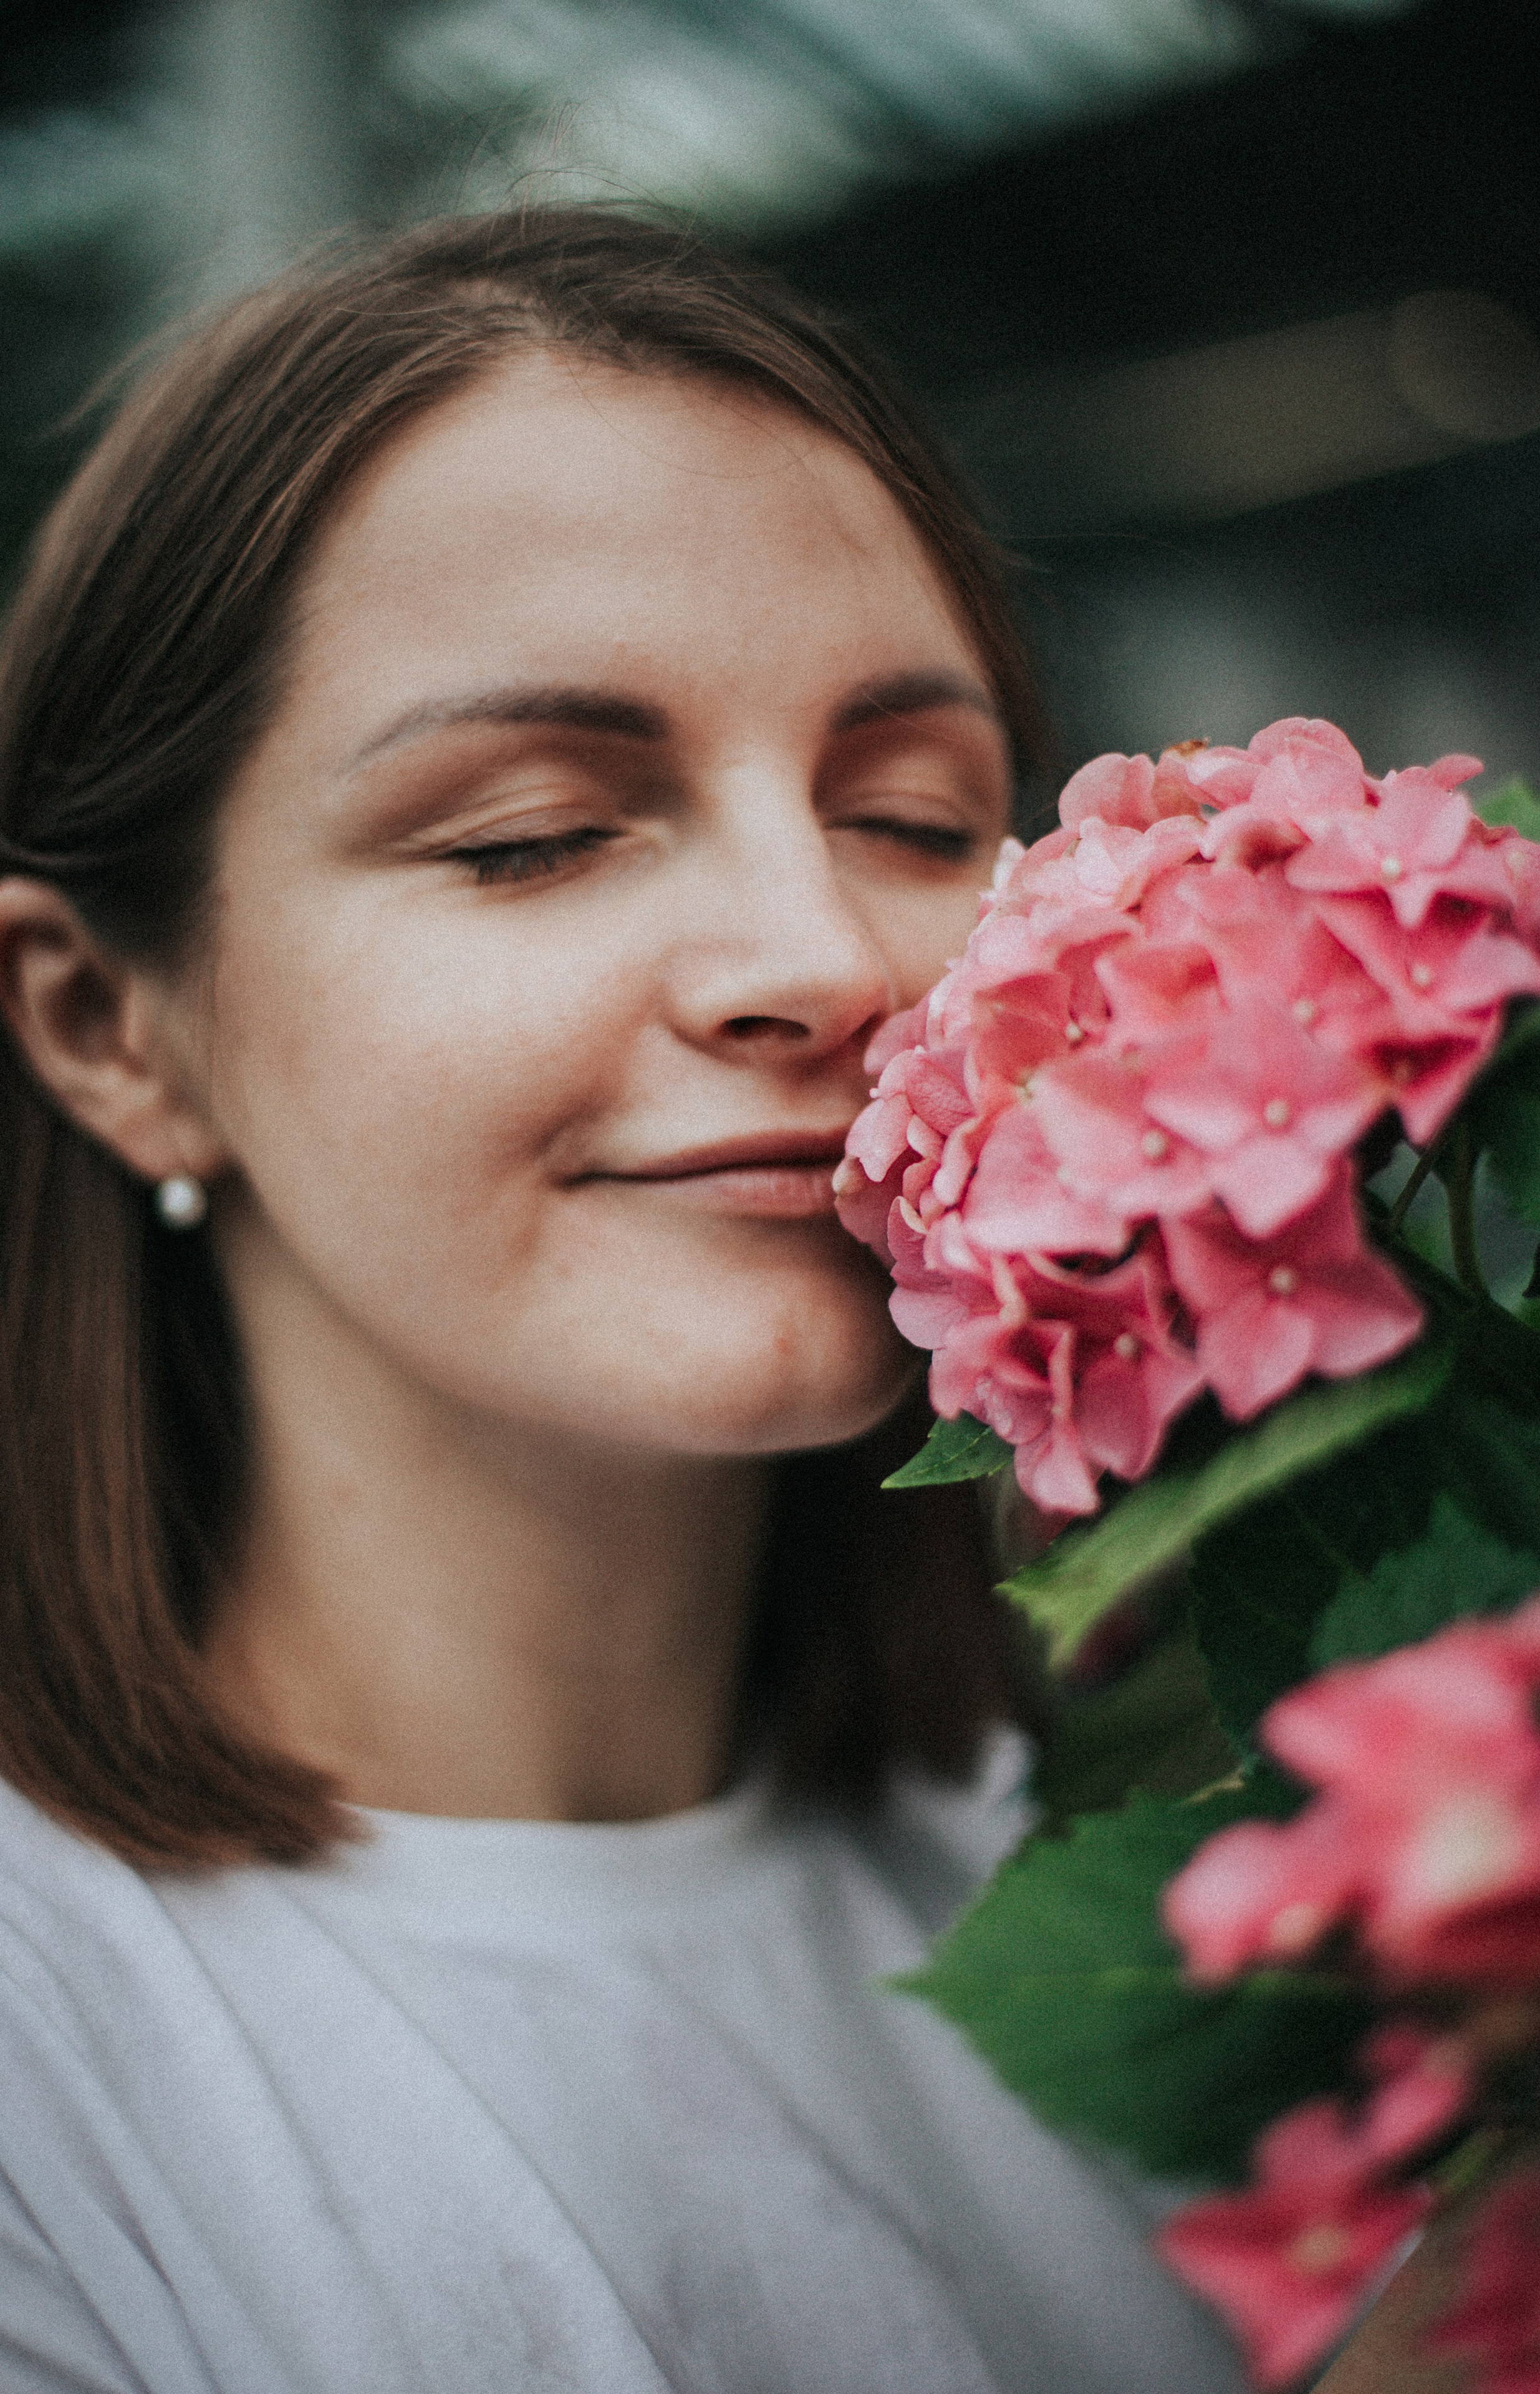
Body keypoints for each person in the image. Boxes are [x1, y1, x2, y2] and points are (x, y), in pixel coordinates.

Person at [0, 208, 1248, 2393]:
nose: (822, 959)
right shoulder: (56, 2056)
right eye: (531, 834)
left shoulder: (1200, 1891)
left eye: (911, 811)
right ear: (110, 1021)